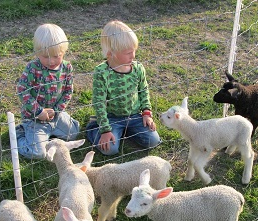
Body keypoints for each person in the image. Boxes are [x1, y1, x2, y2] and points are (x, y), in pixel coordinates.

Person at [86, 20, 161, 156]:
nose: (133, 56)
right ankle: (94, 127)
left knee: (153, 140)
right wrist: (105, 130)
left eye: (134, 51)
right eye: (128, 53)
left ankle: (124, 132)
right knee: (110, 149)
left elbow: (143, 90)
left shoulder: (138, 68)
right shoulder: (102, 72)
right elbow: (99, 102)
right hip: (111, 117)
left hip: (134, 116)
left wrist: (146, 112)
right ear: (110, 53)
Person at [15, 23, 79, 159]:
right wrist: (39, 112)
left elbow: (68, 91)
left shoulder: (67, 67)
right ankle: (20, 134)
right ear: (37, 52)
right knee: (38, 153)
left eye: (56, 56)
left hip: (55, 115)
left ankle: (46, 135)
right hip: (34, 119)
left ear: (64, 51)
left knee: (73, 133)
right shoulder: (32, 68)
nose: (51, 61)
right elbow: (22, 90)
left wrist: (56, 110)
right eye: (45, 56)